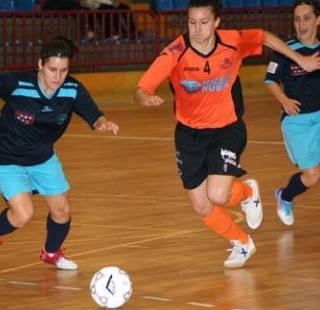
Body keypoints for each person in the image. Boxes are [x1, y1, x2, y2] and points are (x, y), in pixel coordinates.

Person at [133, 0, 320, 268]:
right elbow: (142, 88)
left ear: (217, 22)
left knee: (218, 195)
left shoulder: (232, 41)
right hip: (189, 134)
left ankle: (246, 192)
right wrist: (144, 98)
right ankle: (242, 243)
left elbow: (264, 37)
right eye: (192, 23)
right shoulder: (175, 52)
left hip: (226, 129)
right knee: (201, 205)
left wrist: (301, 59)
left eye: (204, 22)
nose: (197, 29)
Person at [0, 36, 119, 270]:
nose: (58, 76)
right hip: (7, 158)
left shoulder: (72, 89)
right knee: (23, 214)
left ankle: (51, 252)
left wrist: (101, 123)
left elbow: (93, 114)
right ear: (40, 65)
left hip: (43, 157)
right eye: (52, 69)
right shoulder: (16, 84)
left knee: (62, 211)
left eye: (64, 70)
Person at [264, 0, 320, 226]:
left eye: (306, 18)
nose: (301, 23)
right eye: (297, 19)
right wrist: (284, 99)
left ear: (318, 20)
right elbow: (269, 80)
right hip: (298, 122)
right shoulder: (286, 50)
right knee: (313, 176)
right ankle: (285, 197)